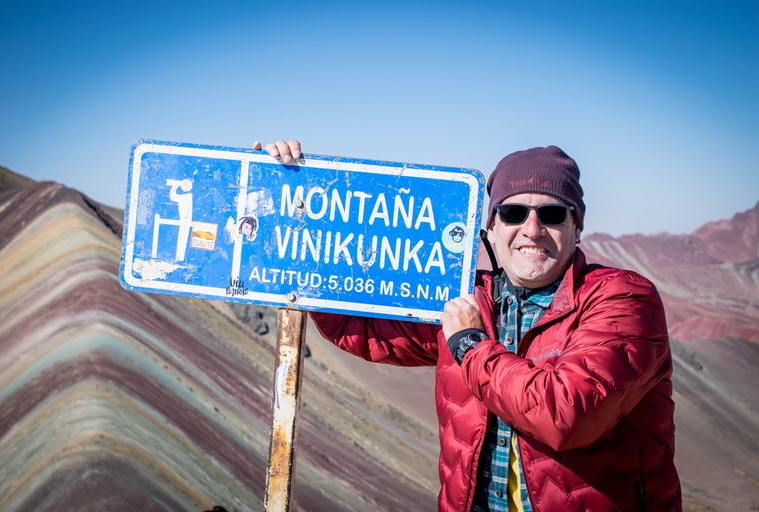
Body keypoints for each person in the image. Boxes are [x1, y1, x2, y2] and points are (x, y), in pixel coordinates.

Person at [254, 140, 681, 512]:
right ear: (492, 228)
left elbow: (566, 416)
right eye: (513, 213)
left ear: (577, 226)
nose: (532, 230)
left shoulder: (622, 297)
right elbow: (364, 331)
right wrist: (282, 194)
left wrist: (470, 343)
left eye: (551, 213)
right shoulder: (469, 298)